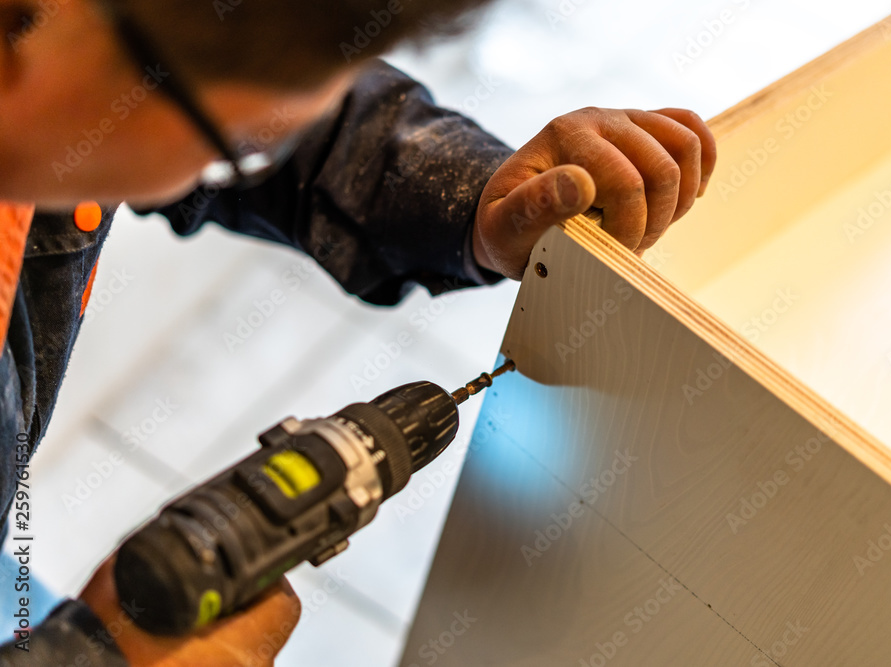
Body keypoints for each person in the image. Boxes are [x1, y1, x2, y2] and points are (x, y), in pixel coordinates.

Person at [0, 0, 717, 664]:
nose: (254, 161)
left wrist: (476, 202)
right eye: (246, 149)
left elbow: (283, 103)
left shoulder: (97, 43)